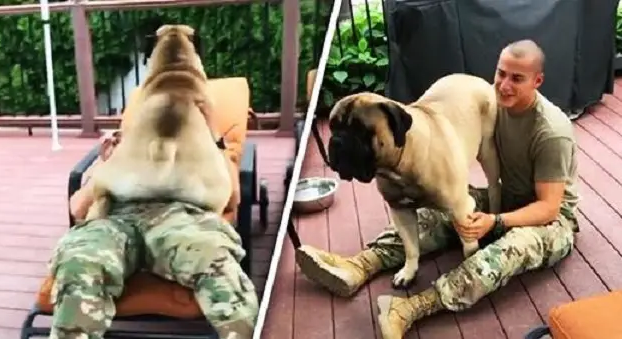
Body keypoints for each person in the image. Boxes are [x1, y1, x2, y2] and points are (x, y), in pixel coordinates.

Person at [295, 39, 579, 338]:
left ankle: (412, 307)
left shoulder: (551, 131)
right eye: (501, 73)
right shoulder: (495, 105)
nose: (504, 85)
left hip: (551, 219)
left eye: (517, 78)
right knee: (437, 215)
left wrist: (495, 222)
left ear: (538, 81)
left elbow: (549, 206)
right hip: (507, 198)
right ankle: (360, 265)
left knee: (504, 252)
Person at [49, 130, 258, 339]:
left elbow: (232, 199)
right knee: (79, 262)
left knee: (212, 256)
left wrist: (214, 146)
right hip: (114, 219)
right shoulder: (125, 146)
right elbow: (77, 209)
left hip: (179, 217)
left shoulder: (196, 143)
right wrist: (108, 164)